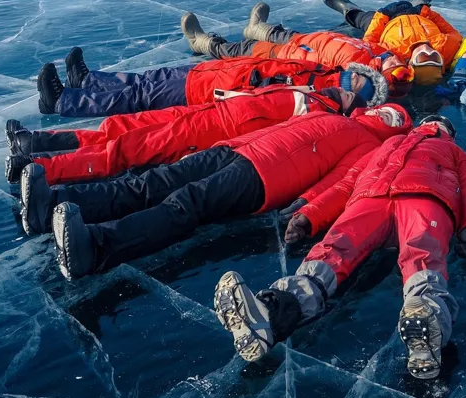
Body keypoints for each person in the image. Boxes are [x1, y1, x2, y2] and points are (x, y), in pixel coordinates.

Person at [211, 117, 466, 380]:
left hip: (426, 196)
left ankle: (428, 325)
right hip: (371, 196)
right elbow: (349, 180)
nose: (432, 126)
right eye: (430, 122)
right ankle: (271, 315)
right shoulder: (390, 143)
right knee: (334, 247)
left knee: (422, 252)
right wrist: (312, 214)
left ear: (447, 131)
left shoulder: (457, 153)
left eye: (438, 124)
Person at [27, 104, 412, 280]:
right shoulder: (329, 114)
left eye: (398, 119)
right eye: (390, 110)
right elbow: (273, 129)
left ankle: (94, 248)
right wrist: (229, 142)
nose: (390, 117)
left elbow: (343, 183)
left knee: (185, 205)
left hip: (264, 179)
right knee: (153, 182)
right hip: (237, 149)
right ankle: (55, 206)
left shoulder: (371, 148)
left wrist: (308, 210)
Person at [6, 85, 360, 184]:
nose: (344, 90)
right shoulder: (311, 92)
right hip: (206, 112)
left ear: (346, 108)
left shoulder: (319, 116)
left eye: (348, 96)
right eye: (346, 89)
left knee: (126, 150)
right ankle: (37, 141)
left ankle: (40, 167)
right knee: (123, 127)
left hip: (211, 132)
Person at [36, 47, 388, 117]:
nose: (355, 76)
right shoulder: (323, 70)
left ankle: (64, 102)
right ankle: (88, 80)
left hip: (208, 91)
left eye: (359, 84)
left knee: (140, 95)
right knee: (145, 79)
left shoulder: (318, 92)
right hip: (211, 72)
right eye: (360, 74)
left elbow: (272, 97)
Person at [179, 3, 414, 98]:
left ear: (381, 80)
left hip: (288, 57)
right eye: (405, 69)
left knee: (243, 49)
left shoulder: (356, 72)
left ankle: (202, 42)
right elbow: (371, 35)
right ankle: (256, 27)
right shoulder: (380, 52)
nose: (399, 64)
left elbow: (320, 75)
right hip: (306, 40)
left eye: (398, 73)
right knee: (280, 32)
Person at [321, 0, 460, 85]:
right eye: (434, 56)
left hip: (388, 21)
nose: (427, 50)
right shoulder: (446, 47)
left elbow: (370, 43)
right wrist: (426, 12)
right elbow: (451, 31)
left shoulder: (395, 54)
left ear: (411, 62)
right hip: (418, 13)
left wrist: (383, 15)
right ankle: (421, 0)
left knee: (359, 18)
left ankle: (347, 8)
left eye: (423, 57)